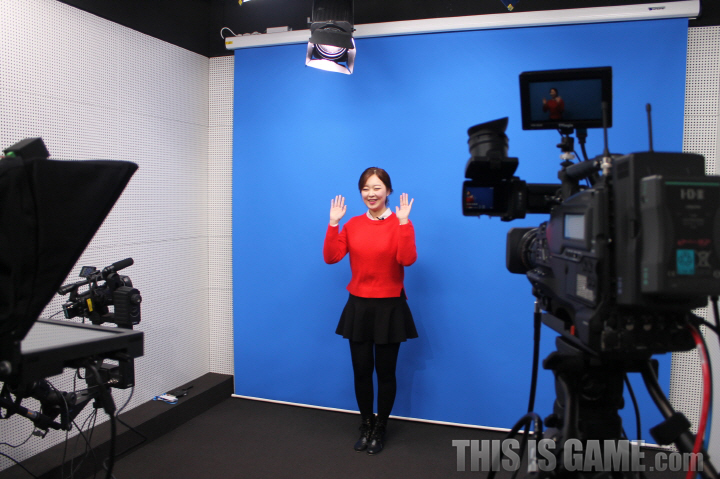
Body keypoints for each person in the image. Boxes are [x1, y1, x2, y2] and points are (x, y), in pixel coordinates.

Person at [323, 167, 417, 456]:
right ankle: (366, 423)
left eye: (377, 188)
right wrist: (333, 223)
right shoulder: (352, 225)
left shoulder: (401, 223)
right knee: (361, 371)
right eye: (365, 188)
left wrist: (403, 223)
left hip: (389, 307)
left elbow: (407, 259)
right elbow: (331, 257)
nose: (371, 194)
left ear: (388, 191)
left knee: (385, 373)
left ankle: (381, 428)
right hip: (359, 306)